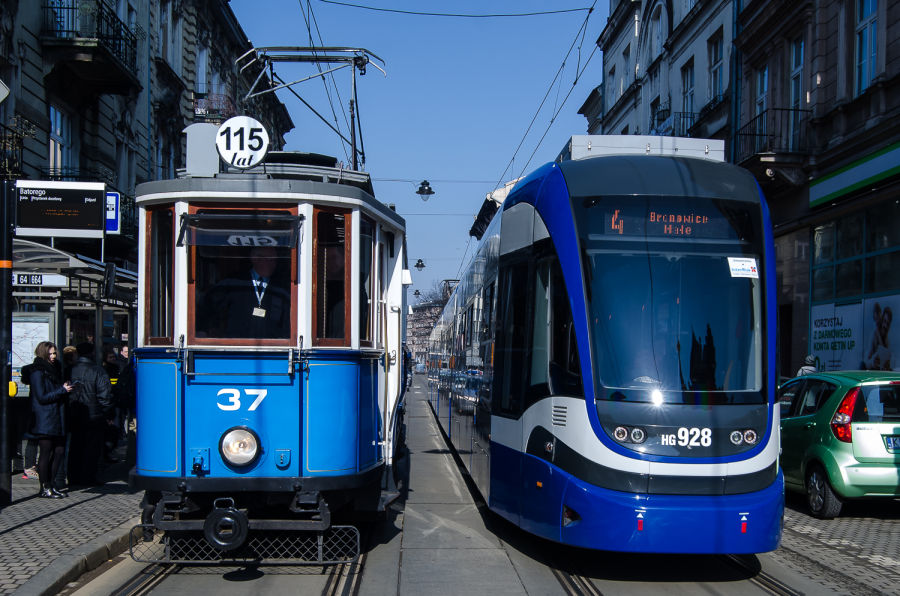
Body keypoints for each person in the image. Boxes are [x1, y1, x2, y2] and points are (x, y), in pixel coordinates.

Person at [198, 246, 291, 339]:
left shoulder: (281, 288)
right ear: (255, 259)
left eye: (274, 260)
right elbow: (209, 309)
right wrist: (203, 331)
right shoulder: (233, 283)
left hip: (273, 348)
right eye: (268, 259)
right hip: (237, 346)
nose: (272, 264)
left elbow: (288, 319)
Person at [20, 341, 74, 498]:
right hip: (45, 417)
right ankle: (45, 486)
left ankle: (51, 484)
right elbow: (41, 396)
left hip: (55, 416)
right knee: (46, 452)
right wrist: (61, 390)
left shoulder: (54, 369)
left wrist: (64, 389)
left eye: (54, 353)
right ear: (42, 353)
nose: (53, 356)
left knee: (59, 451)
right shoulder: (37, 372)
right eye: (50, 353)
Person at [68, 342, 115, 486]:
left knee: (75, 446)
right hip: (94, 415)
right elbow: (105, 396)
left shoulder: (69, 369)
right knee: (92, 449)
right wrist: (108, 413)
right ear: (92, 353)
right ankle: (88, 477)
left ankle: (73, 477)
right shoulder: (98, 371)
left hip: (74, 413)